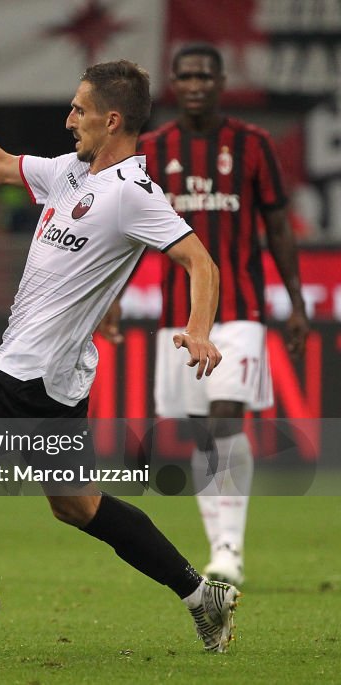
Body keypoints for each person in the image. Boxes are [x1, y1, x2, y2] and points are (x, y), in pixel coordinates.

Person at [0, 56, 240, 653]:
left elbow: (201, 262)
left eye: (79, 108)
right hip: (55, 379)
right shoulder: (71, 173)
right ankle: (203, 595)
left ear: (112, 119)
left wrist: (199, 330)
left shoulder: (133, 193)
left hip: (31, 378)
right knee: (77, 507)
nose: (69, 118)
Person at [135, 44, 309, 587]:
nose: (194, 85)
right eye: (184, 76)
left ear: (221, 80)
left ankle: (229, 549)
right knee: (203, 432)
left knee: (225, 415)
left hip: (241, 309)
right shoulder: (151, 148)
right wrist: (111, 301)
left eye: (204, 76)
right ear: (173, 82)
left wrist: (297, 303)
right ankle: (219, 544)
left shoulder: (254, 144)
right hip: (178, 316)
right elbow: (123, 227)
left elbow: (278, 226)